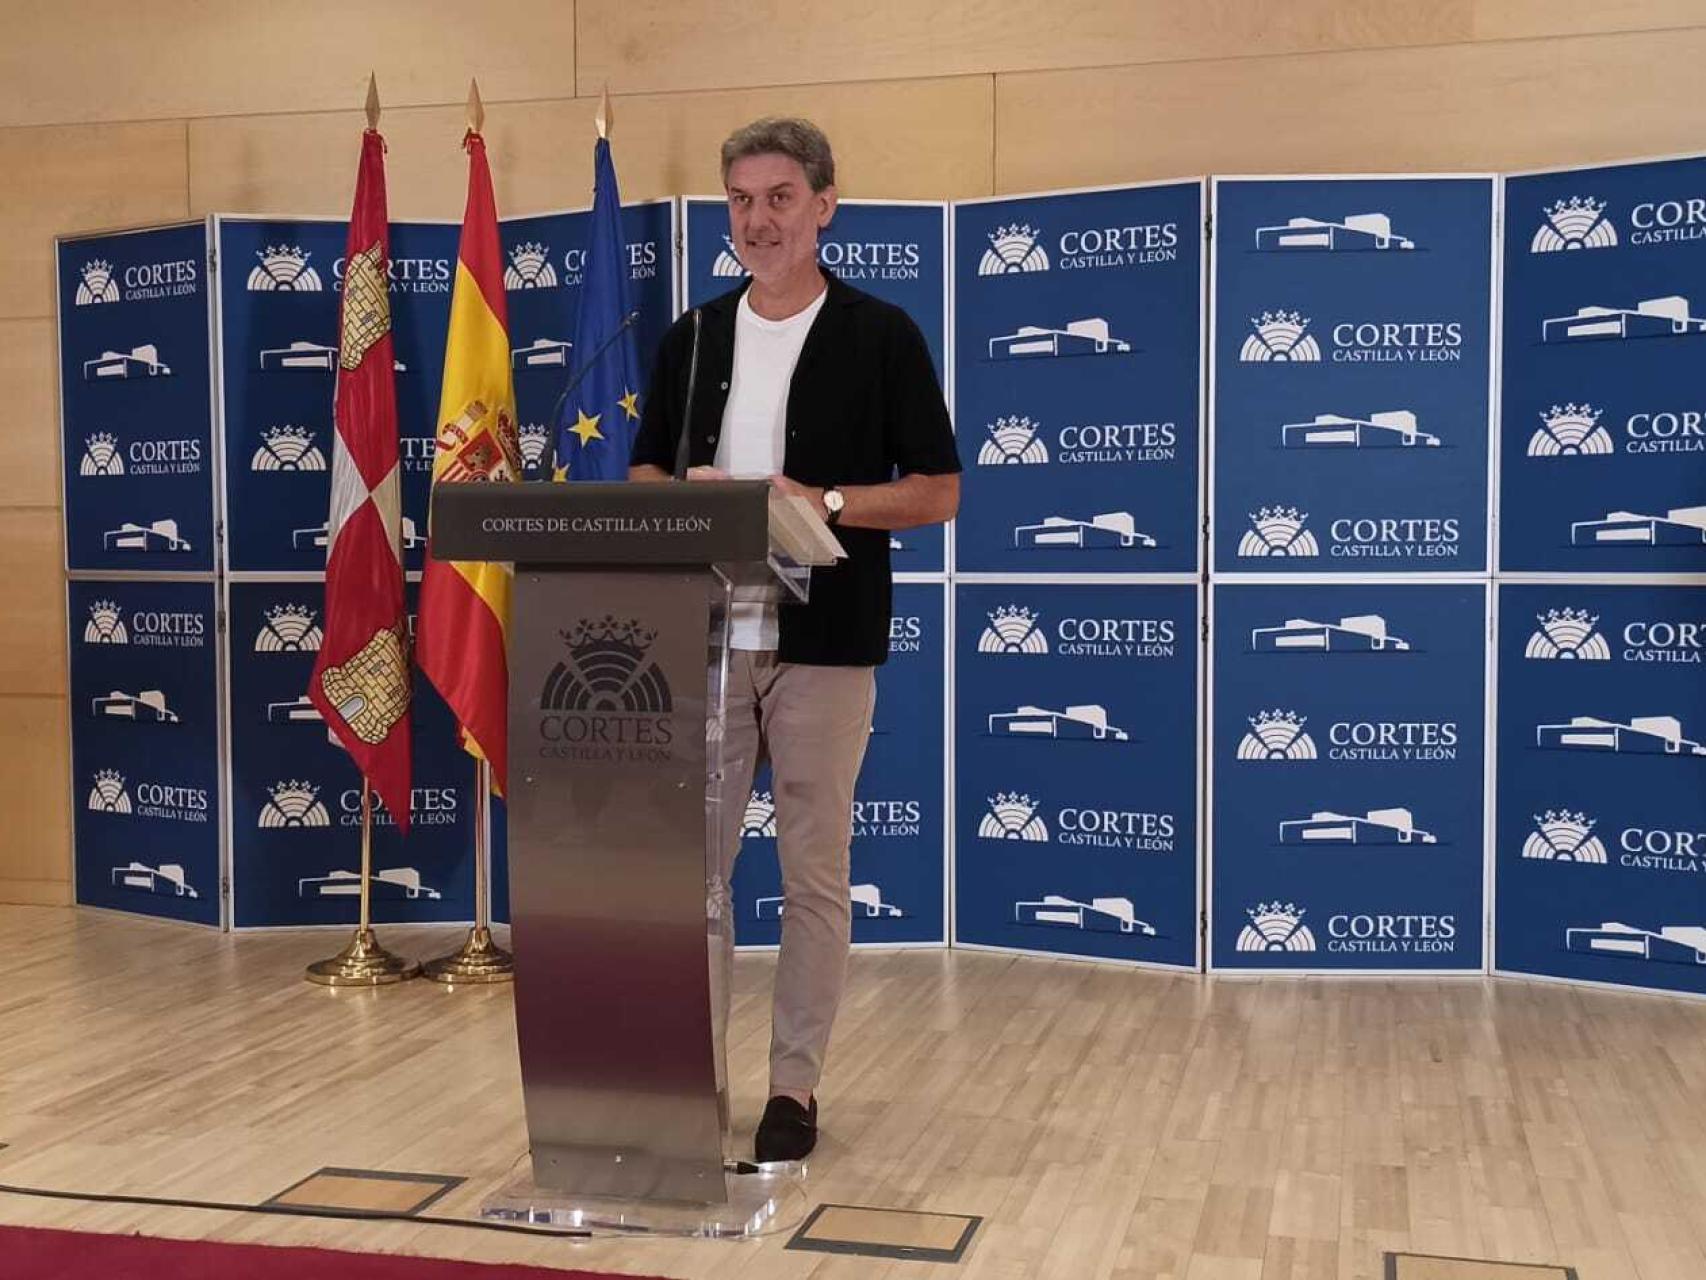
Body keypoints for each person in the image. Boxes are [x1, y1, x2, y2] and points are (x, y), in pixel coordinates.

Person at [629, 117, 959, 1162]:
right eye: (739, 199)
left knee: (811, 871)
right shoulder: (690, 336)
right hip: (708, 633)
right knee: (694, 872)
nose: (757, 218)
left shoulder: (881, 333)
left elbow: (936, 489)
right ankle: (689, 1072)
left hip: (825, 636)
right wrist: (689, 497)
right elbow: (641, 474)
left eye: (778, 197)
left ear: (823, 204)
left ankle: (793, 1086)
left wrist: (813, 497)